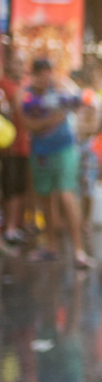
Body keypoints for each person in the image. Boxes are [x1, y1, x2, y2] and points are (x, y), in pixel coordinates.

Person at [21, 58, 93, 269]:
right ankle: (51, 247)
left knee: (66, 195)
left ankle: (79, 251)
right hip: (41, 153)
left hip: (64, 149)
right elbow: (30, 124)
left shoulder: (61, 86)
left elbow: (84, 100)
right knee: (46, 199)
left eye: (47, 72)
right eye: (40, 73)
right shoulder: (27, 95)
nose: (45, 77)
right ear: (34, 74)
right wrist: (51, 120)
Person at [0, 52, 28, 246]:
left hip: (24, 146)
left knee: (19, 186)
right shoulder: (4, 85)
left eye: (21, 63)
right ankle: (9, 228)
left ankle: (16, 225)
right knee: (9, 187)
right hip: (7, 146)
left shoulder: (26, 85)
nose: (19, 67)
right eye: (16, 63)